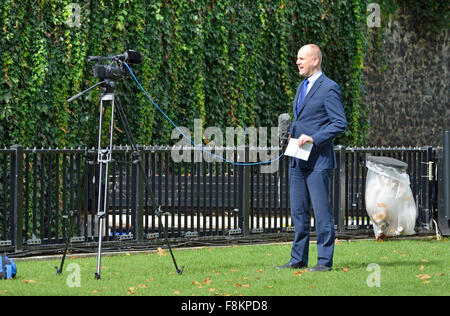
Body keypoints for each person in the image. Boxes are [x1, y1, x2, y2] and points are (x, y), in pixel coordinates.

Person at [276, 44, 347, 272]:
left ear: (315, 60)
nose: (297, 62)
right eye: (297, 58)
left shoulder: (329, 88)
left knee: (322, 213)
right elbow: (303, 120)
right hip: (298, 160)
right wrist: (290, 136)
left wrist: (314, 138)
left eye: (301, 58)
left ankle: (324, 262)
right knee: (298, 212)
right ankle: (298, 258)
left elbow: (339, 123)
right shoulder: (301, 87)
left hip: (318, 162)